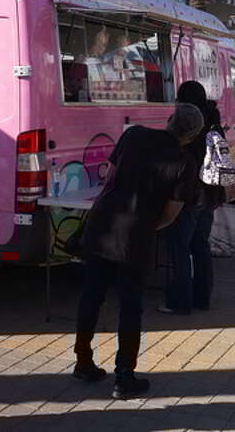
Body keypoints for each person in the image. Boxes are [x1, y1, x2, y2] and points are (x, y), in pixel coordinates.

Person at [72, 103, 204, 400]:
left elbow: (110, 176)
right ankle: (124, 377)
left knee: (91, 295)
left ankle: (83, 360)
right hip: (135, 237)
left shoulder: (133, 135)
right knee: (130, 305)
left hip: (102, 223)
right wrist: (145, 225)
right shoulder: (185, 163)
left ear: (170, 120)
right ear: (192, 135)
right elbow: (171, 213)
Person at [160, 81, 222, 314]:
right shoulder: (214, 120)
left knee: (179, 248)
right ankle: (202, 298)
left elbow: (174, 155)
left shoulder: (188, 122)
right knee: (201, 247)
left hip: (188, 196)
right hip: (210, 195)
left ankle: (180, 302)